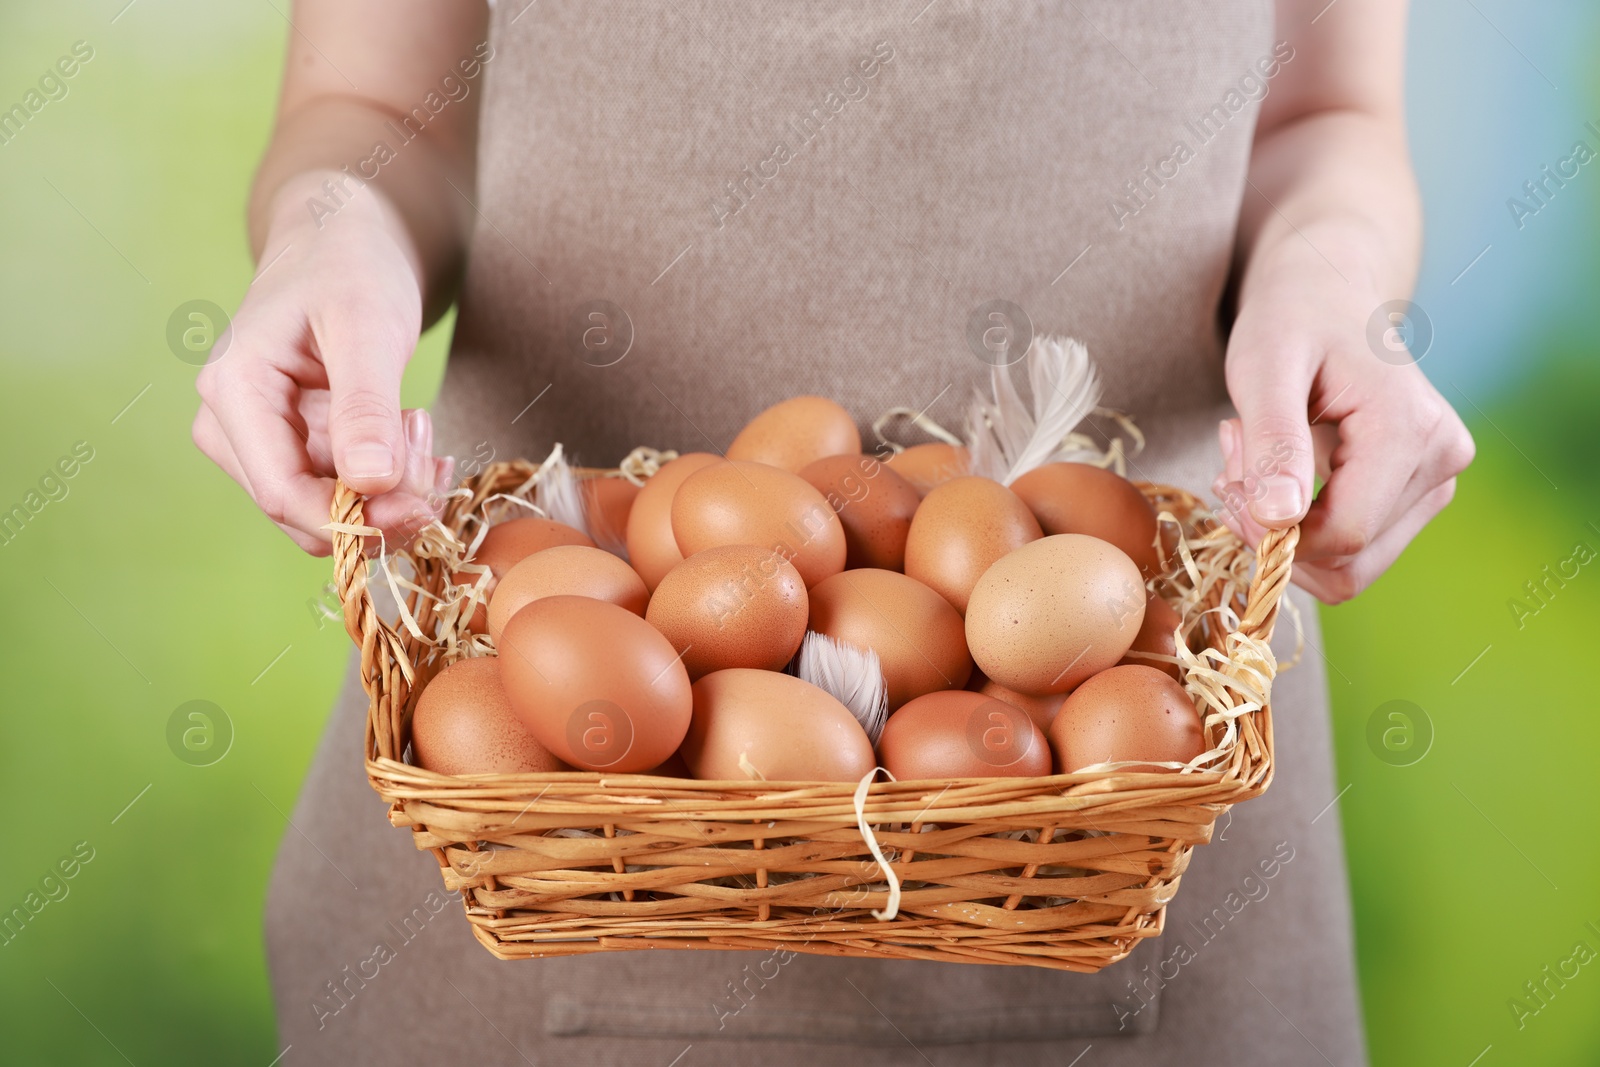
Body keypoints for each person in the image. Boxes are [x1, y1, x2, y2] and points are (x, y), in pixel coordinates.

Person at [193, 1, 1473, 1063]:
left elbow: (1326, 120)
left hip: (1137, 754)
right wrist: (330, 234)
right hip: (539, 818)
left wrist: (1338, 285)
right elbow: (369, 107)